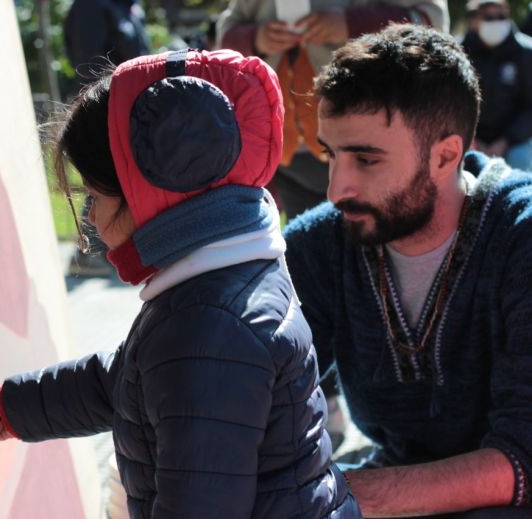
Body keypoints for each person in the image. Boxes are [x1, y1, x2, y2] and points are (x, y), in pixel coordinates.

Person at [0, 49, 360, 518]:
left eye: (94, 196)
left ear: (146, 194)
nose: (89, 216)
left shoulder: (207, 329)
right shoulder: (220, 283)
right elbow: (129, 379)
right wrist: (19, 406)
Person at [284, 23, 532, 517]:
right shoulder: (327, 240)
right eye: (332, 155)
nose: (337, 189)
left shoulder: (520, 237)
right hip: (392, 474)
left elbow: (523, 462)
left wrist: (336, 496)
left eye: (366, 159)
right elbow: (244, 369)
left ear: (445, 156)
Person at [216, 0, 448, 221]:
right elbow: (224, 36)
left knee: (372, 253)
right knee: (310, 253)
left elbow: (431, 22)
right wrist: (256, 39)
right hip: (287, 162)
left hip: (371, 154)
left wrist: (351, 24)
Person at [63, 0, 151, 277]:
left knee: (115, 181)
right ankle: (89, 253)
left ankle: (99, 251)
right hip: (106, 112)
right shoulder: (91, 6)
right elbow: (88, 65)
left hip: (132, 108)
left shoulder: (128, 8)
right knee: (104, 180)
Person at [461, 0, 532, 172]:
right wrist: (474, 139)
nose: (496, 22)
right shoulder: (460, 51)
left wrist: (505, 141)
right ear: (474, 21)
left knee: (521, 162)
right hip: (470, 138)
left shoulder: (526, 53)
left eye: (501, 16)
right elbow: (454, 104)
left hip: (514, 141)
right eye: (488, 17)